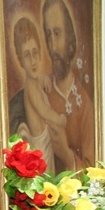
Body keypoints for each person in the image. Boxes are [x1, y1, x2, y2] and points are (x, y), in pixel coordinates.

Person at [42, 0, 94, 171]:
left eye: (57, 33)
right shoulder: (42, 90)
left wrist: (66, 154)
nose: (53, 46)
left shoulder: (85, 104)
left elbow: (93, 173)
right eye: (49, 35)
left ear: (71, 41)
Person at [13, 17, 66, 166]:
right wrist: (59, 119)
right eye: (27, 55)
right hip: (41, 146)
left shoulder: (35, 82)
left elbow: (39, 80)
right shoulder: (30, 87)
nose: (33, 61)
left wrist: (43, 79)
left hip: (46, 142)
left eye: (35, 53)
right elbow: (44, 112)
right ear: (20, 60)